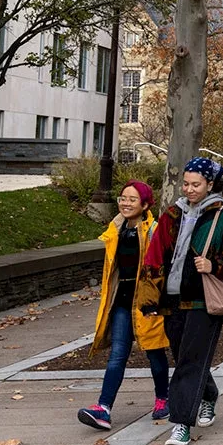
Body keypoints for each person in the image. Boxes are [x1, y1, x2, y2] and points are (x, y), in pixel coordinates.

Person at [139, 158, 223, 445]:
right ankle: (209, 395)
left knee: (189, 360)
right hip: (172, 298)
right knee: (184, 356)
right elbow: (154, 255)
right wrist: (149, 296)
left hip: (204, 299)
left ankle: (181, 425)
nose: (189, 189)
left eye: (196, 184)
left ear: (210, 185)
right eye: (186, 183)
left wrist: (213, 265)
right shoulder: (171, 215)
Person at [78, 181, 169, 431]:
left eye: (132, 199)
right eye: (123, 198)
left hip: (147, 301)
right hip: (121, 301)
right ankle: (103, 409)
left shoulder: (154, 231)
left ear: (145, 204)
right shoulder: (115, 228)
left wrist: (157, 300)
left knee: (154, 351)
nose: (125, 203)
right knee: (117, 355)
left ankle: (163, 398)